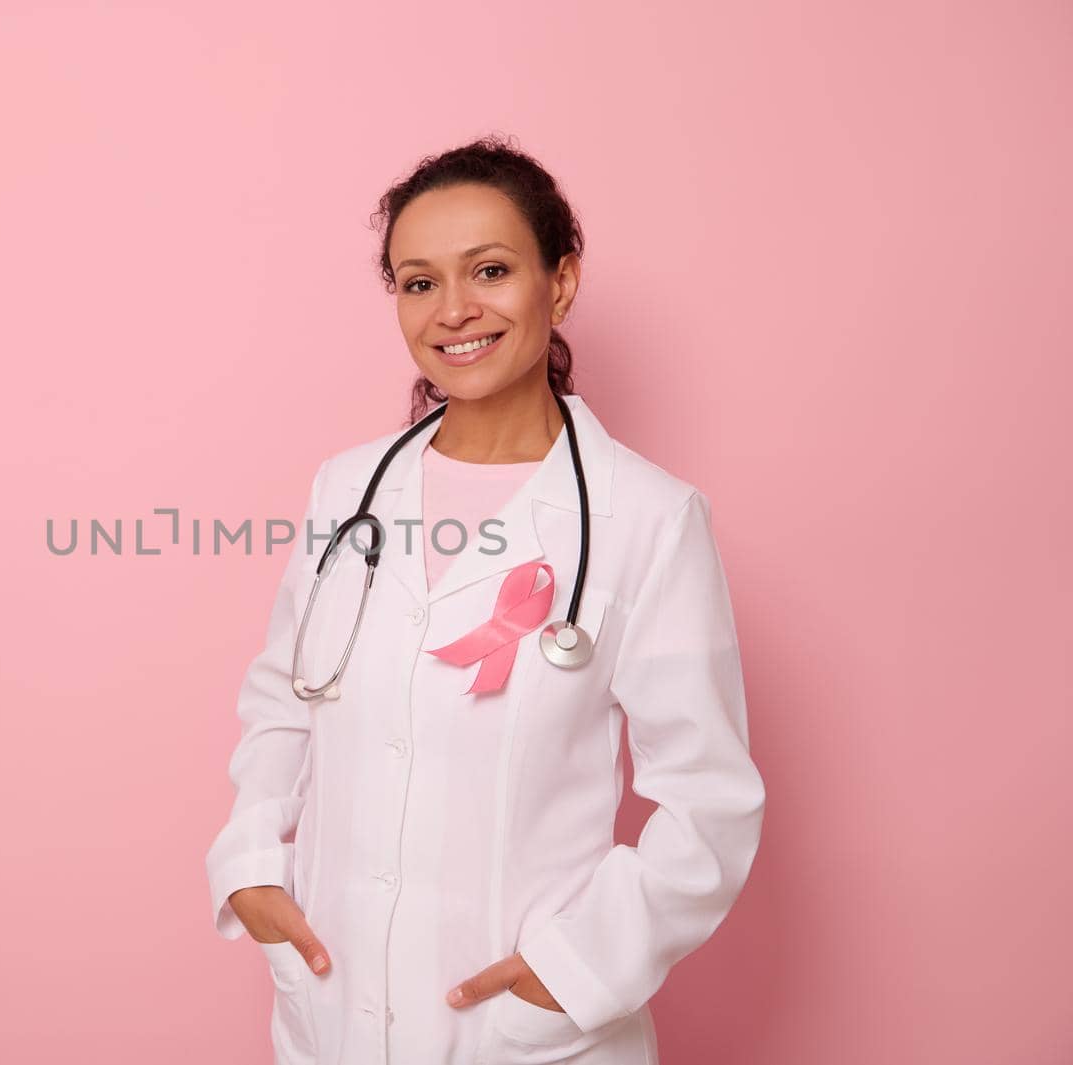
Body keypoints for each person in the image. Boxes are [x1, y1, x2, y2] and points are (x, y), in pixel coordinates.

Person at [204, 135, 765, 1065]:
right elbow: (282, 702)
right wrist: (253, 866)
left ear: (562, 281)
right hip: (335, 1013)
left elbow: (710, 802)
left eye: (491, 270)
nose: (454, 310)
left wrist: (575, 970)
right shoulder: (347, 491)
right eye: (418, 282)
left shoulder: (649, 519)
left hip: (527, 1034)